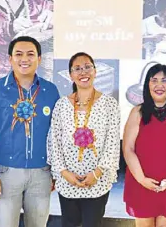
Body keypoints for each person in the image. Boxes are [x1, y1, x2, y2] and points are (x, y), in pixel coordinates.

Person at [0, 36, 60, 227]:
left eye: (30, 54)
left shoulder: (50, 91)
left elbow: (56, 135)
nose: (25, 59)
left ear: (39, 59)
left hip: (41, 172)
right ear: (10, 59)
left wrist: (55, 171)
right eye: (19, 54)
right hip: (6, 172)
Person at [47, 52, 121, 227]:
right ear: (71, 75)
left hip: (97, 180)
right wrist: (64, 173)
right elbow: (54, 141)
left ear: (95, 71)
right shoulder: (62, 105)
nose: (83, 72)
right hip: (68, 180)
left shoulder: (109, 104)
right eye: (77, 69)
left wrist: (97, 173)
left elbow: (112, 142)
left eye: (87, 67)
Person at [123, 64, 166, 226]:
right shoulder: (137, 112)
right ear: (147, 84)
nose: (159, 85)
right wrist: (141, 179)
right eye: (154, 80)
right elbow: (128, 148)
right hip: (142, 183)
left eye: (164, 80)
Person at [0, 0, 53, 77]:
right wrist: (11, 28)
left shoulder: (38, 0)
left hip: (38, 75)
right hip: (2, 76)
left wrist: (54, 15)